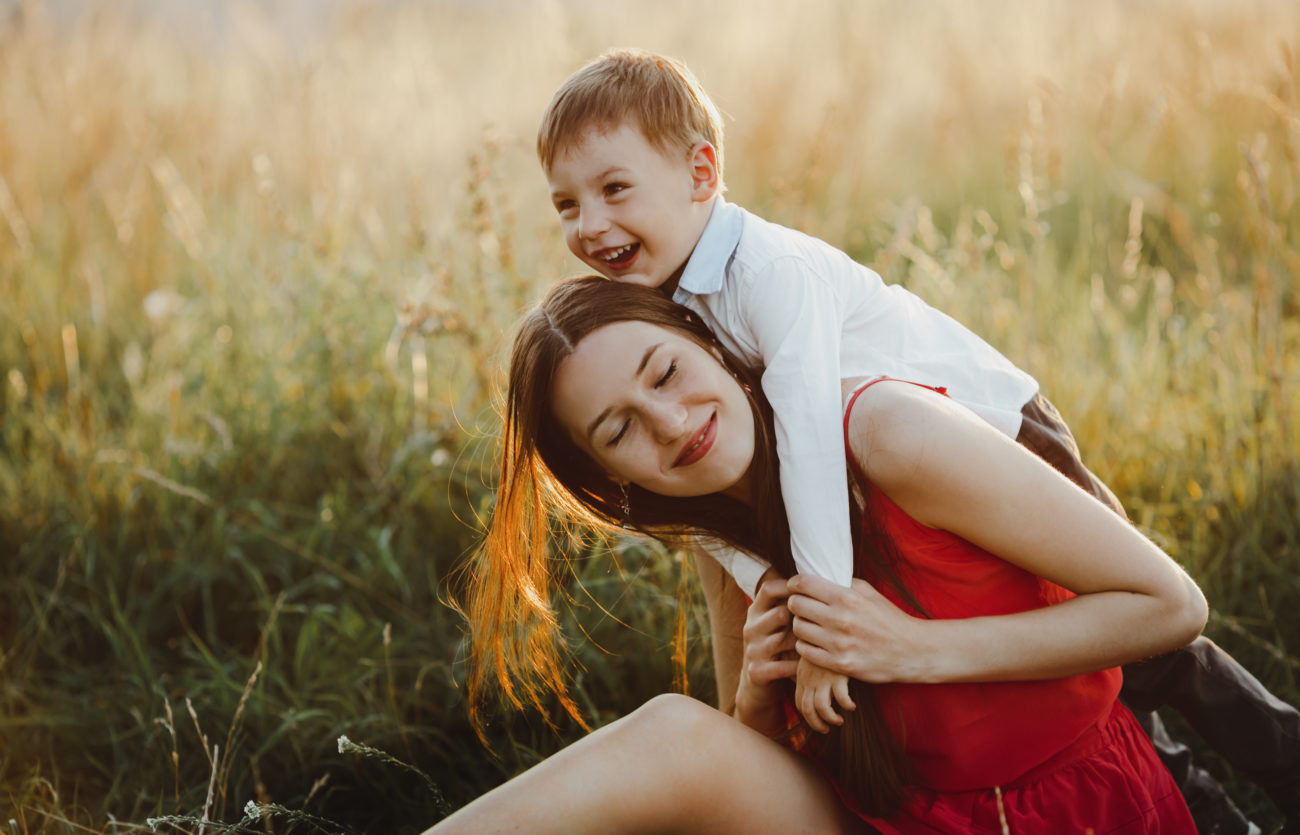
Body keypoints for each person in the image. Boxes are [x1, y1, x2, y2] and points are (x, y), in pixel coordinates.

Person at [535, 48, 1299, 832]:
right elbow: (740, 500)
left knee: (1141, 648)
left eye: (613, 189)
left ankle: (1271, 760)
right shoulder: (679, 304)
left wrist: (829, 621)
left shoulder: (768, 273)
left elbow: (802, 430)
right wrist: (768, 603)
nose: (591, 225)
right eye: (566, 206)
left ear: (702, 174)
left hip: (996, 421)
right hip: (904, 457)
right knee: (1116, 662)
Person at [431, 276, 1205, 833]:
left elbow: (1171, 604)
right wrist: (757, 705)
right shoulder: (720, 535)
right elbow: (749, 771)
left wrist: (916, 649)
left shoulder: (886, 433)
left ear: (718, 346)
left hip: (1071, 807)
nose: (669, 422)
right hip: (889, 818)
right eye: (619, 430)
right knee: (676, 734)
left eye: (666, 371)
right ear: (612, 481)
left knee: (674, 730)